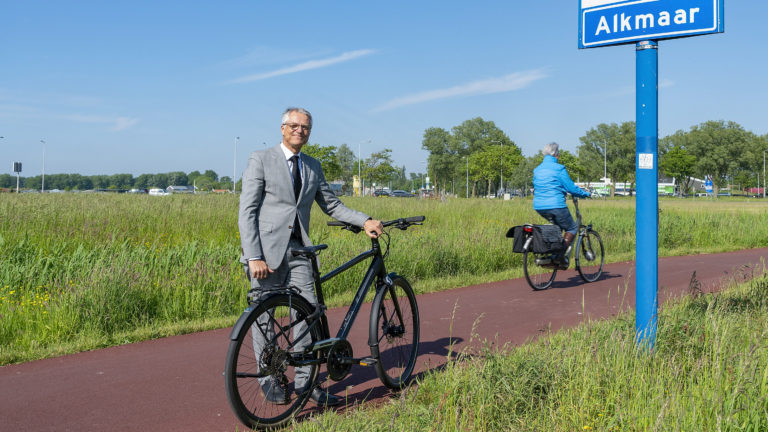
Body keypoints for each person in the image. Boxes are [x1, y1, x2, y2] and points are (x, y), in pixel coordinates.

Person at [238, 107, 383, 406]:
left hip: (300, 252)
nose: (299, 130)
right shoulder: (261, 159)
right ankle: (270, 376)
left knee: (309, 314)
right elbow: (247, 211)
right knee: (263, 316)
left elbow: (332, 205)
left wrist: (364, 220)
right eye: (293, 125)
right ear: (282, 128)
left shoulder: (313, 166)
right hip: (265, 254)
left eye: (305, 127)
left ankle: (308, 382)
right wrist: (254, 256)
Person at [532, 142, 591, 269]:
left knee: (557, 229)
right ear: (556, 155)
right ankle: (558, 256)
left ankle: (553, 254)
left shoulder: (537, 170)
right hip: (556, 205)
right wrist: (584, 194)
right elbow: (571, 188)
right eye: (559, 154)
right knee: (572, 228)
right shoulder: (559, 168)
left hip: (539, 206)